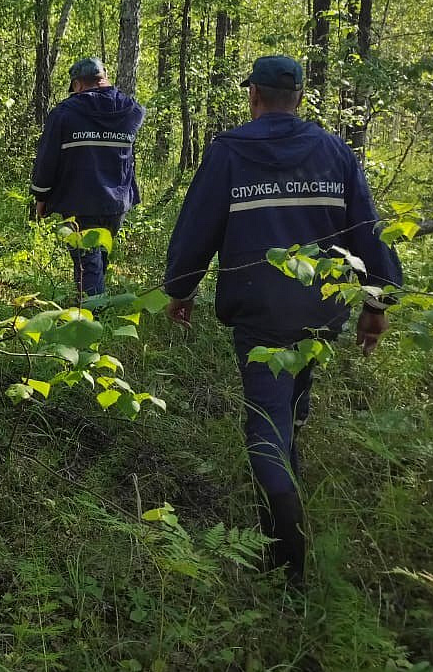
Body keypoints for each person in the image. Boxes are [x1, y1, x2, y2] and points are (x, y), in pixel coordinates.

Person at [162, 54, 403, 586]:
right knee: (290, 400)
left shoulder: (229, 152)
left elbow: (198, 226)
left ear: (254, 97)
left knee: (266, 422)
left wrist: (180, 290)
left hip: (261, 310)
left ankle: (286, 558)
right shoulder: (333, 151)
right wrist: (375, 305)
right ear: (297, 97)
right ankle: (288, 489)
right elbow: (368, 229)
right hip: (321, 308)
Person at [29, 57, 146, 301]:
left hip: (79, 200)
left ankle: (92, 318)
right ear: (104, 78)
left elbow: (47, 159)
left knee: (87, 261)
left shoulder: (64, 114)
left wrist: (41, 196)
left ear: (78, 85)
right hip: (117, 201)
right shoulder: (132, 110)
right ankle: (95, 309)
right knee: (98, 255)